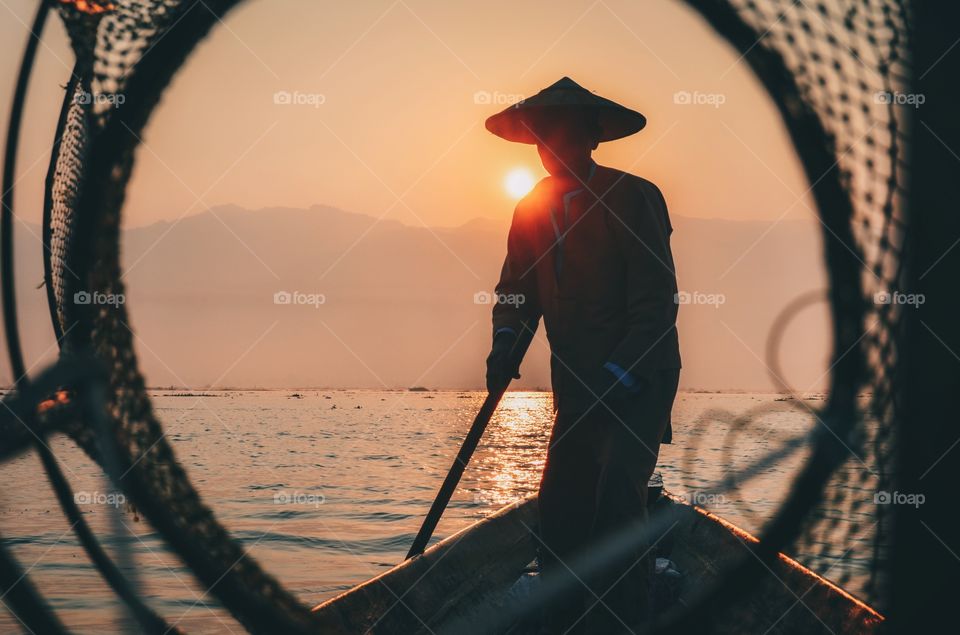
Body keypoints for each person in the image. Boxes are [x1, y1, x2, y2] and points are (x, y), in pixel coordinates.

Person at [484, 77, 681, 633]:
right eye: (544, 138)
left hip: (638, 378)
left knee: (619, 500)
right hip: (575, 384)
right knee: (563, 508)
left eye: (564, 136)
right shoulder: (530, 208)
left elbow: (656, 304)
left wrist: (617, 372)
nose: (552, 149)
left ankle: (625, 620)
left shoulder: (635, 196)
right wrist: (504, 344)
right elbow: (516, 294)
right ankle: (563, 617)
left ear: (592, 139)